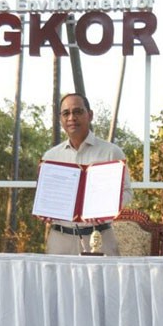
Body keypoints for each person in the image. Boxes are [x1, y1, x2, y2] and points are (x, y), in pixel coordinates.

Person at [40, 93, 133, 255]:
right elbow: (45, 196)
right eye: (66, 113)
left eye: (77, 111)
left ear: (90, 115)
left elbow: (127, 192)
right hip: (60, 241)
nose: (71, 118)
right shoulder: (50, 157)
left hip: (100, 238)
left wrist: (108, 210)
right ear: (60, 119)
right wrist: (44, 211)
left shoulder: (111, 153)